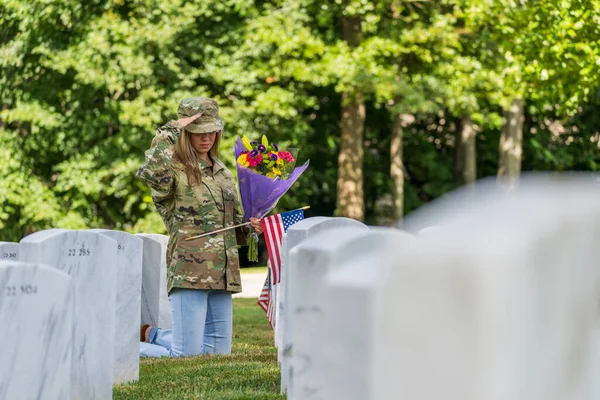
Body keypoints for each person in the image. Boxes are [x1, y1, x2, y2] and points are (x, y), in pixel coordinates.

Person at [136, 97, 262, 357]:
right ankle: (121, 347)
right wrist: (173, 126)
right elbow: (154, 171)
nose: (207, 138)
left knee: (217, 353)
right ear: (185, 133)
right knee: (185, 355)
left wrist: (250, 227)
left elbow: (231, 220)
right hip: (190, 270)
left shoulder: (222, 171)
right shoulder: (174, 170)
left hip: (223, 270)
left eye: (212, 131)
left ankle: (155, 335)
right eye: (198, 132)